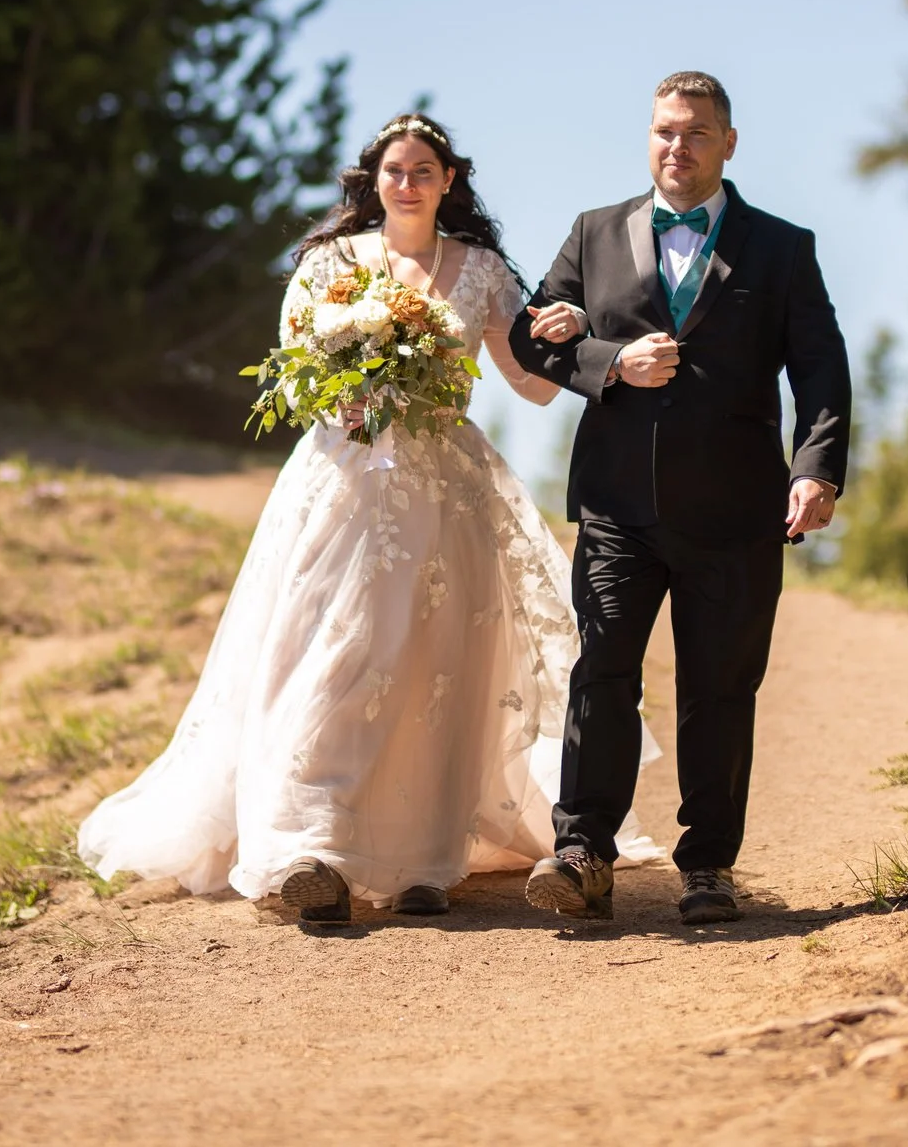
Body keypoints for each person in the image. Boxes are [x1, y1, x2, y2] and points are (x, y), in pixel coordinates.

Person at [78, 113, 659, 924]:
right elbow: (294, 373)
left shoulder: (483, 271)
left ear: (449, 180)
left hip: (447, 490)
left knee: (435, 663)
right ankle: (309, 849)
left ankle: (426, 859)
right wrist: (353, 386)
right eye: (395, 170)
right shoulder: (329, 265)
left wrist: (575, 335)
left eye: (424, 170)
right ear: (373, 181)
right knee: (333, 651)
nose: (409, 183)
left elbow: (529, 379)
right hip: (346, 480)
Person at [507, 71, 851, 926]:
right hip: (619, 507)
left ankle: (708, 867)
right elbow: (533, 334)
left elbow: (820, 368)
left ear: (728, 143)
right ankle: (582, 850)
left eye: (696, 133)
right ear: (648, 136)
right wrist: (607, 364)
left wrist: (816, 467)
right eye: (665, 130)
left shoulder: (782, 248)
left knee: (720, 689)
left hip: (737, 513)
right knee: (604, 672)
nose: (678, 146)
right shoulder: (594, 233)